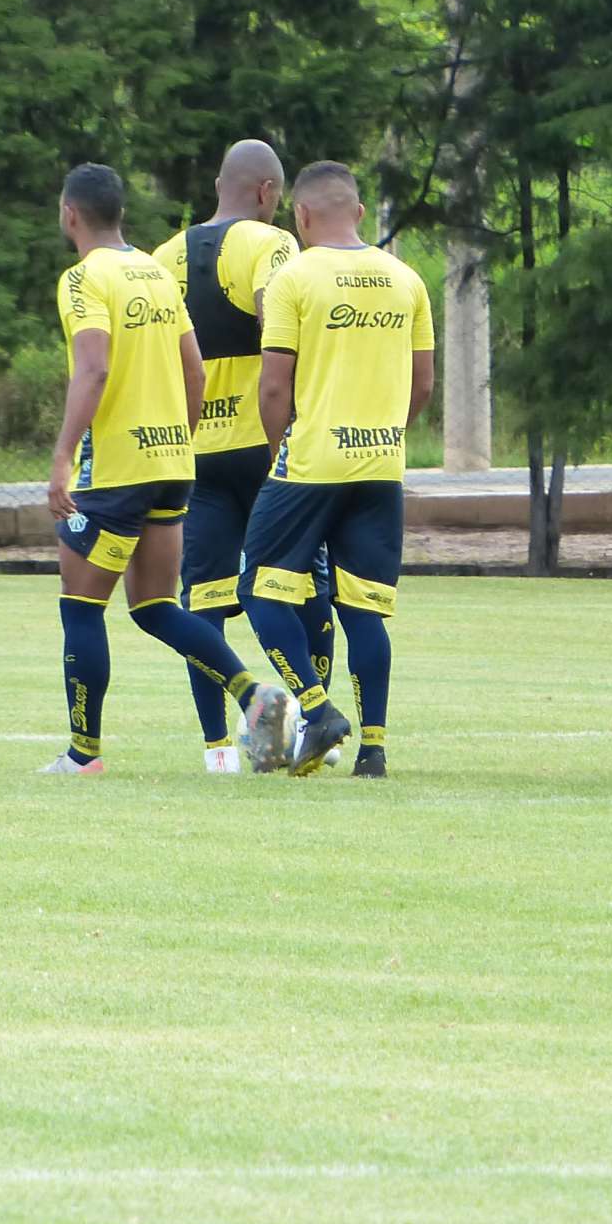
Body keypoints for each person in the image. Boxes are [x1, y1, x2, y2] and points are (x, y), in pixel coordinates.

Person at [42, 164, 275, 775]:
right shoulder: (154, 272)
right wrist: (179, 435)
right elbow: (193, 369)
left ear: (71, 214)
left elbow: (92, 369)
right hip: (175, 461)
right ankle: (254, 693)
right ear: (120, 212)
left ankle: (83, 755)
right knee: (154, 606)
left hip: (116, 469)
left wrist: (63, 456)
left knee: (82, 607)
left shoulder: (82, 279)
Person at [239, 161, 435, 779]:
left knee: (257, 586)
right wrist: (383, 432)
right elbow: (423, 384)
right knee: (364, 608)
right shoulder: (406, 279)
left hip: (313, 460)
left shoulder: (294, 277)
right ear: (357, 211)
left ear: (299, 216)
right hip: (381, 462)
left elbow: (274, 385)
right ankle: (373, 751)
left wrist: (281, 448)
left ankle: (318, 710)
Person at [151, 141, 335, 754]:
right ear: (267, 193)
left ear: (217, 183)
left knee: (201, 599)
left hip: (195, 450)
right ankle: (315, 727)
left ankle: (218, 751)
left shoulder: (163, 255)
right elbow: (277, 323)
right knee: (299, 583)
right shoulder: (273, 243)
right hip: (266, 444)